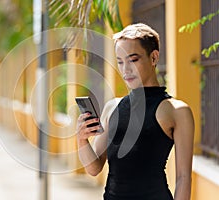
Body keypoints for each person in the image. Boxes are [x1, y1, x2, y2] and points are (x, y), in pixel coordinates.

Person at [76, 23, 194, 200]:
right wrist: (81, 140)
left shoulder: (176, 111)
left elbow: (183, 178)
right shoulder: (112, 107)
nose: (126, 69)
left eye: (133, 59)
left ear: (153, 58)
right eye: (120, 61)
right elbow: (94, 168)